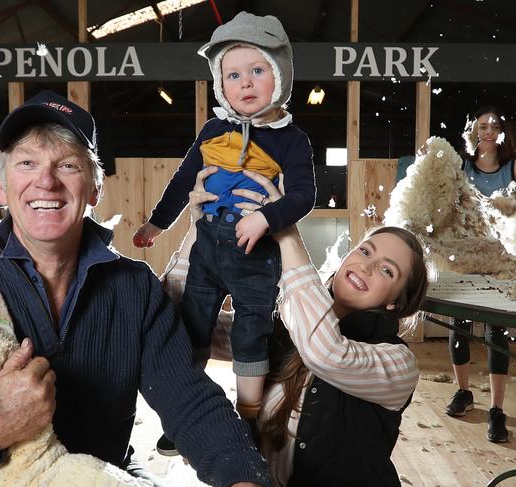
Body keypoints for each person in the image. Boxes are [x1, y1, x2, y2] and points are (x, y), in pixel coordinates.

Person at [0, 90, 270, 487]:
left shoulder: (134, 289)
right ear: (1, 188)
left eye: (66, 165)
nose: (46, 181)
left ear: (94, 190)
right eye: (27, 163)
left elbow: (191, 402)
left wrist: (243, 478)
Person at [166, 168, 429, 486]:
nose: (367, 266)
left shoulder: (399, 365)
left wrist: (285, 229)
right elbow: (184, 327)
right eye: (365, 251)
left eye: (387, 270)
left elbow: (325, 352)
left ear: (396, 303)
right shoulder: (286, 322)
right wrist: (203, 230)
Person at [133, 11, 316, 454]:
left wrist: (266, 218)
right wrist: (158, 222)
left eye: (258, 71)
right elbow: (183, 180)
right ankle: (186, 414)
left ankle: (248, 421)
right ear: (220, 84)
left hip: (256, 253)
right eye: (233, 75)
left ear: (280, 77)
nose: (246, 83)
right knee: (192, 326)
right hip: (209, 246)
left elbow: (304, 196)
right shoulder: (213, 129)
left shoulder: (291, 139)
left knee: (250, 334)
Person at [444, 105, 515, 443]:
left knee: (495, 329)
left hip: (500, 257)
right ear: (473, 131)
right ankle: (463, 392)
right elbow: (451, 205)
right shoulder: (462, 167)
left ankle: (497, 409)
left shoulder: (512, 168)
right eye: (482, 125)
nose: (488, 131)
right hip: (466, 253)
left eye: (494, 126)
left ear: (502, 132)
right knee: (460, 323)